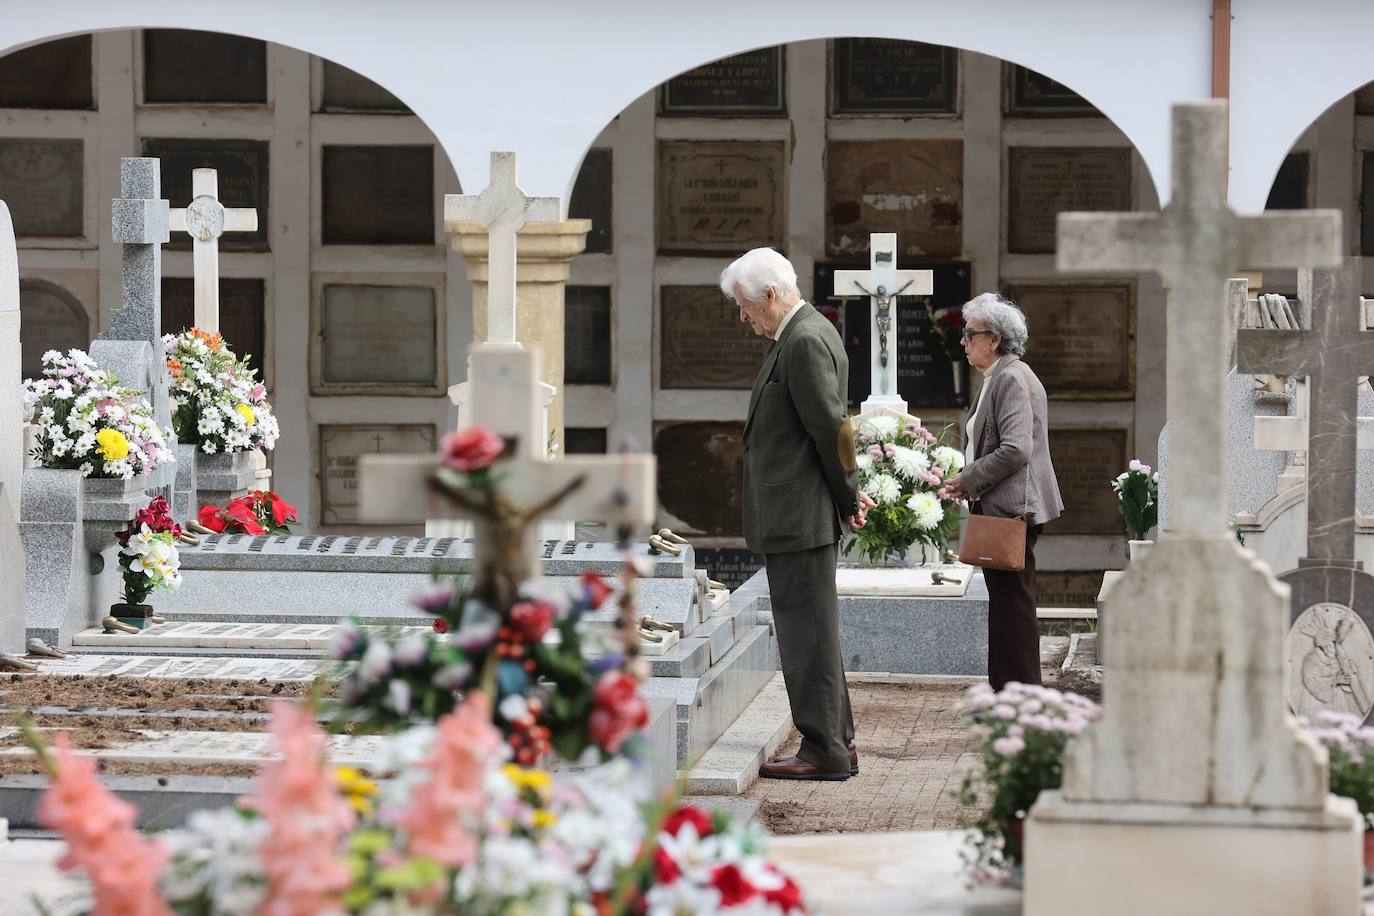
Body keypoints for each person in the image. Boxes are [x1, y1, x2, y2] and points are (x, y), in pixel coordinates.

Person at [721, 247, 877, 782]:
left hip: (800, 514)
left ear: (768, 295)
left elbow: (831, 429)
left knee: (807, 637)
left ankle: (824, 750)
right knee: (815, 634)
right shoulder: (801, 332)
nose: (743, 319)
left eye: (744, 307)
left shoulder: (805, 338)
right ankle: (837, 743)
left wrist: (849, 496)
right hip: (798, 511)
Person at [941, 293, 1063, 690]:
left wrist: (969, 479)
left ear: (993, 339)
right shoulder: (1002, 375)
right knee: (1010, 606)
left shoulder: (1010, 377)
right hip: (1005, 507)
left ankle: (1020, 697)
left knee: (1014, 608)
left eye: (969, 334)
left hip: (1012, 510)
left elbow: (1015, 448)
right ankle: (1010, 693)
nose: (964, 342)